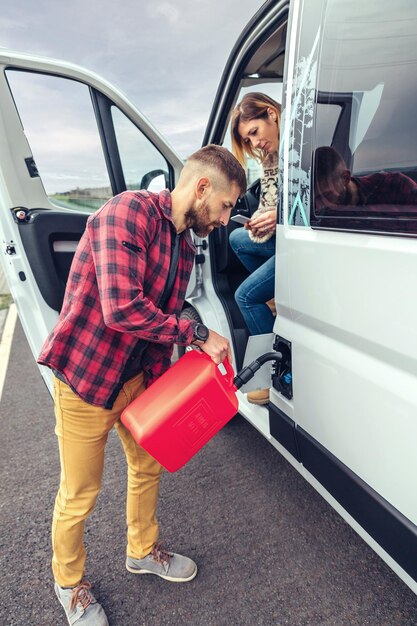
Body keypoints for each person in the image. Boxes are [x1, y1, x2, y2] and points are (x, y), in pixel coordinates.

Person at [37, 144, 246, 625]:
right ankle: (69, 584)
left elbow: (166, 317)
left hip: (135, 377)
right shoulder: (126, 213)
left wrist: (168, 385)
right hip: (86, 379)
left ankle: (142, 550)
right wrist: (197, 332)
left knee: (147, 464)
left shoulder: (185, 243)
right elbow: (122, 309)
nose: (225, 218)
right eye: (226, 205)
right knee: (80, 492)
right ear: (201, 187)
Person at [228, 92, 280, 405]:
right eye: (249, 139)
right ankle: (275, 298)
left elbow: (314, 205)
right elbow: (271, 205)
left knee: (246, 295)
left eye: (255, 132)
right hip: (285, 237)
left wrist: (279, 218)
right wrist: (261, 221)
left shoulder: (302, 149)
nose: (255, 144)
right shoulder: (273, 161)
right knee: (236, 238)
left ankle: (274, 374)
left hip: (302, 242)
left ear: (271, 114)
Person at [314, 146, 417, 210]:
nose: (320, 204)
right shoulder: (321, 218)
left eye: (326, 195)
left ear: (345, 178)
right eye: (315, 199)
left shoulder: (395, 186)